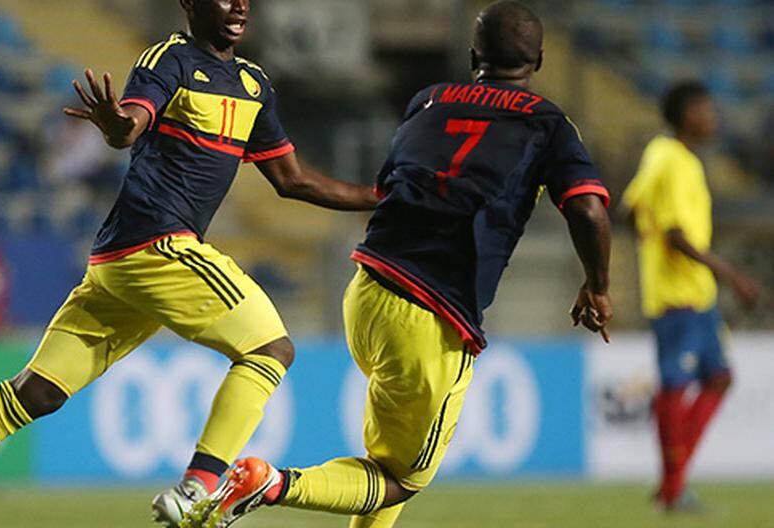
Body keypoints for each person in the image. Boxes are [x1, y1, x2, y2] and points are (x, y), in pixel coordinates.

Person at [0, 1, 377, 527]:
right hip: (158, 246)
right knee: (271, 349)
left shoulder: (254, 84)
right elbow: (130, 125)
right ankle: (199, 487)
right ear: (190, 4)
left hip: (120, 262)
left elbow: (293, 180)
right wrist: (114, 124)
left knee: (36, 392)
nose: (239, 4)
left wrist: (385, 195)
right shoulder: (169, 59)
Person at [181, 2, 613, 527]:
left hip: (366, 289)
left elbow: (392, 183)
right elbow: (588, 209)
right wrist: (598, 286)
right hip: (432, 315)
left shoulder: (427, 100)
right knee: (400, 479)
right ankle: (270, 483)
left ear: (474, 53)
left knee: (385, 462)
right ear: (540, 60)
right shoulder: (547, 124)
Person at [622, 80, 760, 513]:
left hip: (695, 296)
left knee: (718, 378)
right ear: (685, 114)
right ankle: (672, 488)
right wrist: (734, 274)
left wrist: (647, 245)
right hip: (677, 297)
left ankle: (672, 481)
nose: (713, 116)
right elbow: (678, 235)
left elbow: (629, 208)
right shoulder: (675, 161)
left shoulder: (663, 155)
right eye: (705, 109)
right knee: (675, 387)